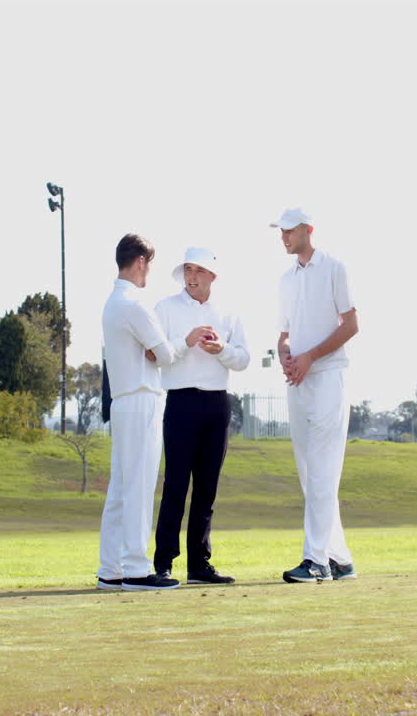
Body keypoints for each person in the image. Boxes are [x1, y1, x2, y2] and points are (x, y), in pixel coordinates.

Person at [271, 207, 360, 583]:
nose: (284, 237)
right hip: (299, 381)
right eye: (280, 232)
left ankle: (317, 561)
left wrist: (310, 357)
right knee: (310, 474)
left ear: (308, 230)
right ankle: (340, 558)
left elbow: (351, 325)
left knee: (324, 471)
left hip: (328, 377)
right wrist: (286, 355)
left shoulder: (334, 268)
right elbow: (284, 333)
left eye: (289, 230)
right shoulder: (285, 280)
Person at [152, 247, 250, 585]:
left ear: (213, 276)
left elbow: (244, 359)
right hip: (180, 402)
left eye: (199, 271)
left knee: (207, 488)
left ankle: (199, 565)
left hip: (217, 403)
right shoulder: (164, 308)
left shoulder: (229, 313)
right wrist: (187, 340)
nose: (192, 276)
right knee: (176, 485)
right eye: (188, 270)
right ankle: (163, 563)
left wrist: (221, 350)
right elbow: (158, 355)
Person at [97, 234, 182, 591]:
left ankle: (111, 568)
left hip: (123, 400)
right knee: (139, 484)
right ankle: (135, 567)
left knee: (121, 485)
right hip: (141, 397)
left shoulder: (112, 302)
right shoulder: (134, 303)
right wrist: (183, 341)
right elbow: (165, 354)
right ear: (141, 262)